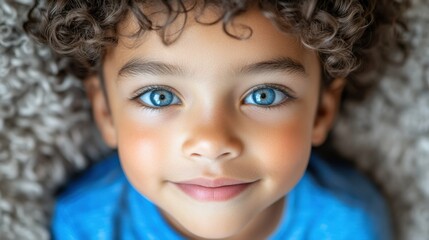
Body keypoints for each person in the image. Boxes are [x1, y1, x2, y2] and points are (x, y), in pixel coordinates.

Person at [25, 0, 407, 239]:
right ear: (106, 112)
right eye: (160, 96)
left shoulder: (350, 225)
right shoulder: (84, 226)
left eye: (264, 95)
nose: (211, 141)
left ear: (322, 110)